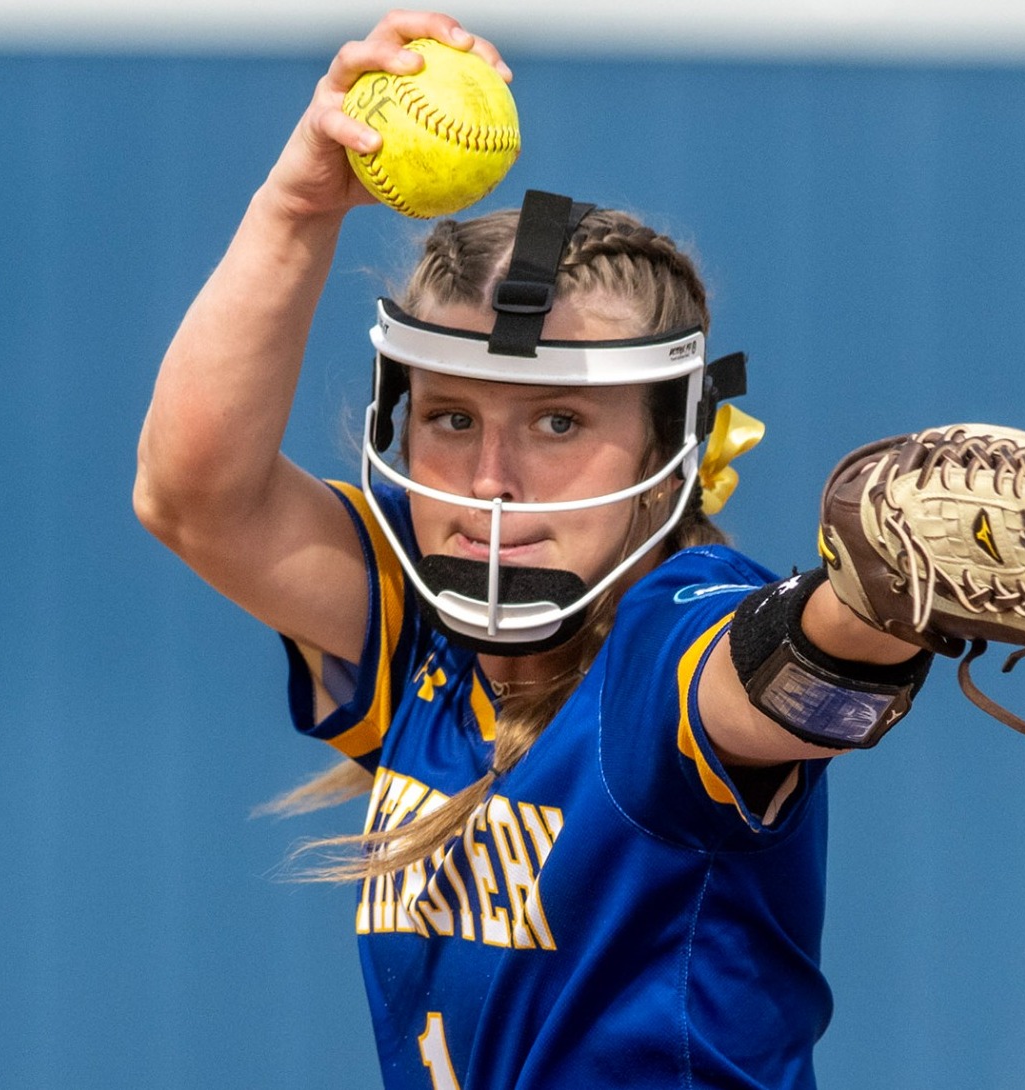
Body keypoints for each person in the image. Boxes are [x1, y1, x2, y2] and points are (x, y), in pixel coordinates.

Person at [134, 10, 936, 1087]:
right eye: (452, 417)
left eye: (560, 422)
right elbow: (193, 496)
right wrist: (297, 206)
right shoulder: (422, 645)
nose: (490, 478)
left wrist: (885, 598)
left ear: (670, 446)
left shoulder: (671, 633)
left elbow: (787, 667)